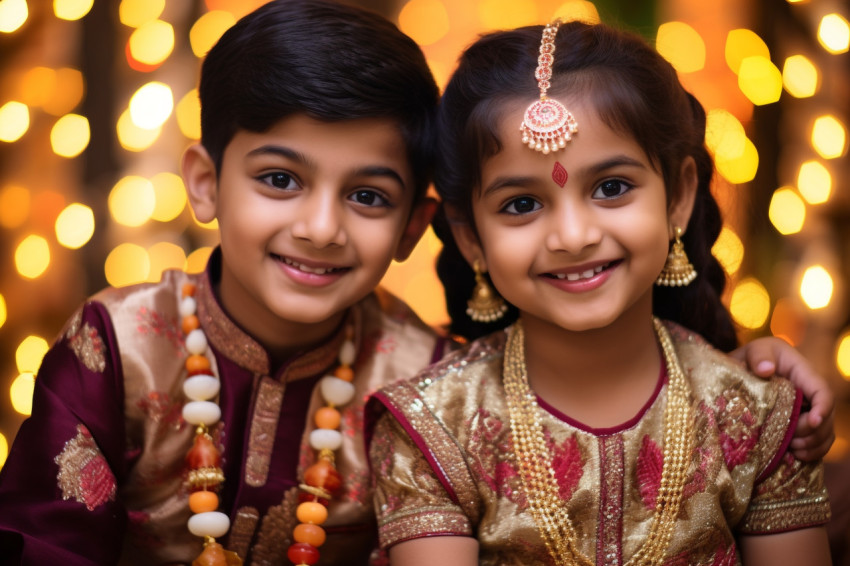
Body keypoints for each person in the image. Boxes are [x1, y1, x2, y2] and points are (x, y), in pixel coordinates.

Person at [0, 4, 833, 565]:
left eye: (366, 196)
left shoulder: (418, 377)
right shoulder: (117, 350)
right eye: (280, 180)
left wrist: (748, 363)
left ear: (413, 226)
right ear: (205, 184)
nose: (320, 227)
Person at [369, 19, 832, 566]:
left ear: (678, 197)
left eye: (612, 188)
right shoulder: (432, 430)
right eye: (522, 204)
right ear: (471, 235)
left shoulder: (760, 416)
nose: (574, 237)